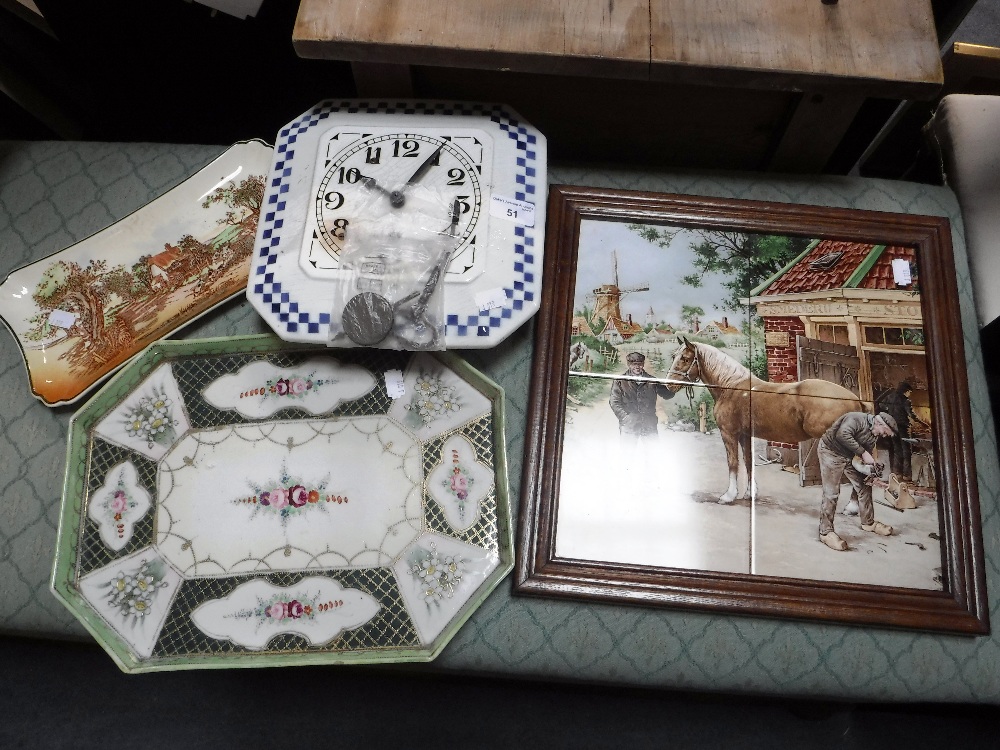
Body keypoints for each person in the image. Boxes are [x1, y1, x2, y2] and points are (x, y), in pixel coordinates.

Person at [817, 411, 898, 551]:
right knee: (831, 492)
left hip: (849, 455)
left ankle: (868, 523)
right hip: (831, 452)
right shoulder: (856, 418)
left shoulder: (874, 434)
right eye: (885, 432)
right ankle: (825, 532)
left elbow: (863, 456)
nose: (884, 436)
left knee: (864, 485)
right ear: (879, 423)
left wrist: (871, 470)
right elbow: (842, 435)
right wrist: (863, 453)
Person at [609, 352, 673, 440]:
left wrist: (676, 385)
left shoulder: (652, 380)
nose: (637, 367)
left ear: (643, 364)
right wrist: (625, 418)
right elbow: (614, 402)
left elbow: (667, 395)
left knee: (652, 451)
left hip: (649, 424)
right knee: (627, 452)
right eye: (634, 364)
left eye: (640, 364)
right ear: (629, 365)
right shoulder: (620, 381)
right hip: (629, 426)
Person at [876, 381, 929, 480]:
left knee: (897, 450)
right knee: (906, 451)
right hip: (903, 427)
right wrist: (923, 423)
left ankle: (897, 474)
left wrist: (889, 410)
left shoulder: (890, 397)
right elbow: (911, 414)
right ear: (906, 391)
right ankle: (907, 475)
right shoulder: (906, 400)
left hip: (892, 427)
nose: (910, 394)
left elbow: (881, 405)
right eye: (910, 392)